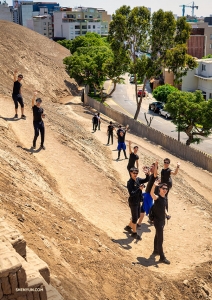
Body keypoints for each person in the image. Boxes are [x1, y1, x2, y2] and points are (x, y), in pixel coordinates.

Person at [125, 167, 149, 240]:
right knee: (135, 218)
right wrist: (139, 189)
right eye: (134, 173)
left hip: (138, 201)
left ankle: (128, 227)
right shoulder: (130, 182)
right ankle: (134, 233)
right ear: (130, 173)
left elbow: (146, 179)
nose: (135, 174)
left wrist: (147, 174)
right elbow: (131, 194)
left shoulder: (138, 180)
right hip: (133, 202)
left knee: (138, 215)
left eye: (136, 173)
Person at [150, 179, 170, 264]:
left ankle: (156, 250)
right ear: (159, 189)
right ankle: (162, 257)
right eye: (163, 188)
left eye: (166, 189)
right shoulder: (157, 198)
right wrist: (154, 185)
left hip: (162, 220)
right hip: (158, 221)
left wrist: (167, 214)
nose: (165, 190)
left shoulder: (164, 198)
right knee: (160, 239)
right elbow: (151, 194)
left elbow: (164, 208)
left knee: (157, 235)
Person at [137, 162, 158, 226]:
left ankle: (139, 223)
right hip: (147, 194)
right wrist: (146, 172)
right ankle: (141, 222)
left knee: (145, 209)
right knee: (146, 209)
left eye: (152, 167)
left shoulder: (154, 176)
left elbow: (155, 174)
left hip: (149, 195)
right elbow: (148, 176)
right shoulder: (151, 175)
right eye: (151, 166)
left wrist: (156, 165)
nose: (151, 167)